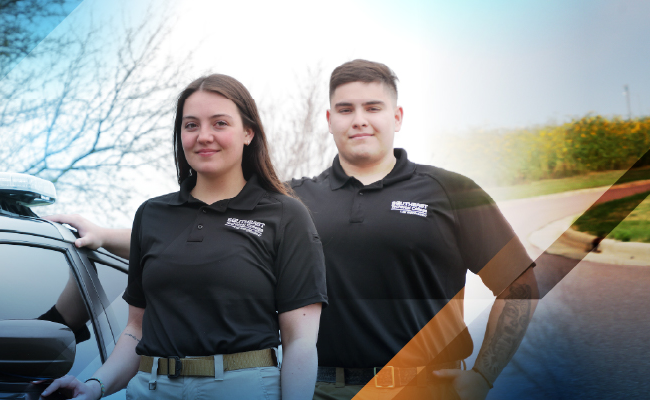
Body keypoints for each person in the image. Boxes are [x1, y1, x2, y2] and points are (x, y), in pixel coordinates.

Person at [49, 61, 537, 400]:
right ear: (329, 119)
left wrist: (482, 378)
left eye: (373, 107)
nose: (359, 119)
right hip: (320, 387)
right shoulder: (293, 202)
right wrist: (102, 232)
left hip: (429, 386)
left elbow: (521, 286)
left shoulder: (452, 192)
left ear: (398, 116)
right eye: (345, 109)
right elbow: (189, 239)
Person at [41, 74, 327, 400]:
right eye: (191, 125)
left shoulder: (286, 215)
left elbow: (300, 342)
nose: (204, 136)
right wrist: (93, 386)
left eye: (220, 123)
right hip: (150, 389)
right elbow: (136, 332)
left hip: (242, 389)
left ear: (248, 132)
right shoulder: (152, 215)